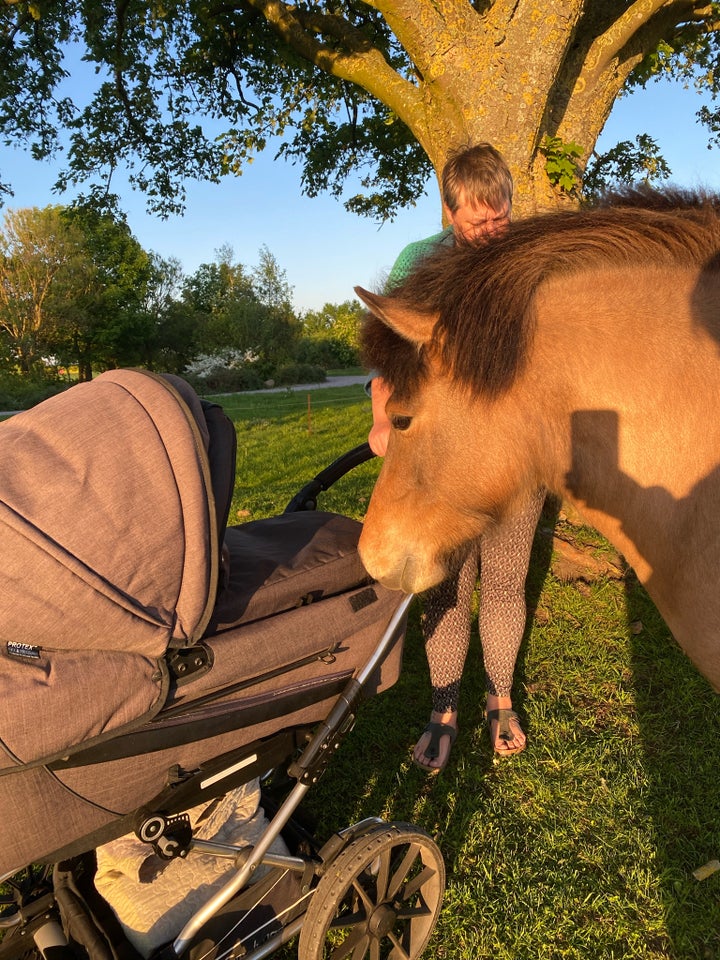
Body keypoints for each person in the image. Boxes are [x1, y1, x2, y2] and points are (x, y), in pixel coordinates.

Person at [367, 143, 545, 773]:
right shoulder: (420, 261)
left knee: (504, 579)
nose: (490, 231)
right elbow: (390, 349)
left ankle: (501, 696)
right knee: (445, 580)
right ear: (448, 212)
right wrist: (381, 418)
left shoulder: (531, 259)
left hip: (517, 458)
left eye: (499, 217)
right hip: (443, 460)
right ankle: (444, 706)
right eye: (477, 221)